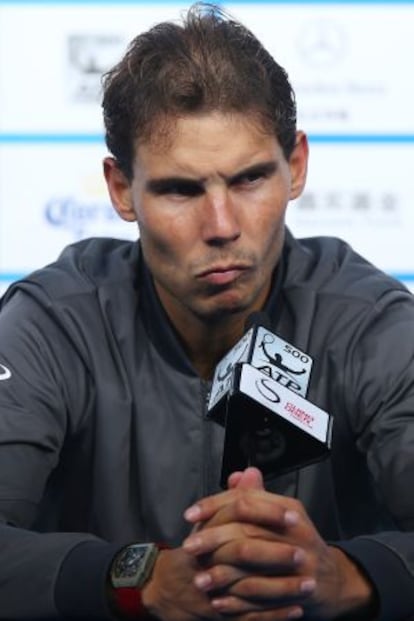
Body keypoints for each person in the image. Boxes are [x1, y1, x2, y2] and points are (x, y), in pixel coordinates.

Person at [0, 2, 413, 620]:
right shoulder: (52, 323)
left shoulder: (370, 323)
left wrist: (346, 575)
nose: (222, 227)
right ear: (121, 190)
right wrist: (137, 579)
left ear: (295, 166)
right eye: (179, 189)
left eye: (249, 180)